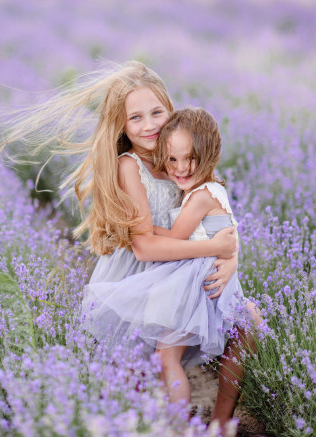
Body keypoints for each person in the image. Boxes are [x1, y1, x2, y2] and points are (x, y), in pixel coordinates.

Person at [0, 61, 241, 425]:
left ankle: (223, 425)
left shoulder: (181, 158)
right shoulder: (130, 166)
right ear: (122, 126)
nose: (150, 125)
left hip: (181, 271)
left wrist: (231, 258)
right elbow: (145, 248)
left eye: (157, 112)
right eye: (136, 118)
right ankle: (152, 427)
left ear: (170, 110)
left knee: (248, 325)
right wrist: (214, 249)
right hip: (139, 278)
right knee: (135, 378)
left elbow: (222, 222)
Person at [85, 107, 262, 428]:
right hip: (199, 275)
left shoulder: (199, 197)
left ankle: (176, 424)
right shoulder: (209, 189)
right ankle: (203, 424)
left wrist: (138, 230)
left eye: (191, 158)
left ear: (211, 154)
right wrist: (228, 253)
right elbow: (229, 235)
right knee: (165, 358)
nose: (181, 168)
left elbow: (184, 237)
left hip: (193, 281)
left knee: (168, 360)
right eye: (173, 160)